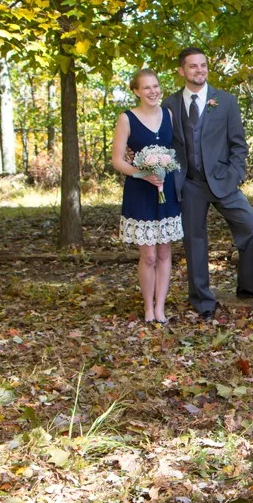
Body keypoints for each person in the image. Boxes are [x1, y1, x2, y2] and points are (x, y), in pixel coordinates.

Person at [164, 46, 253, 320]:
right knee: (195, 241)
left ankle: (249, 287)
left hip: (224, 180)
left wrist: (236, 173)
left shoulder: (225, 101)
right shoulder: (169, 104)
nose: (199, 70)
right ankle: (202, 300)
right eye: (192, 66)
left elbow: (239, 144)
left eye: (203, 65)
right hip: (189, 183)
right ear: (181, 71)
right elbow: (161, 141)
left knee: (252, 227)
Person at [111, 66, 182, 323]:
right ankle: (147, 308)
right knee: (149, 255)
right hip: (139, 190)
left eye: (155, 86)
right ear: (136, 91)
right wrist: (143, 174)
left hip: (167, 189)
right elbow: (117, 160)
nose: (153, 91)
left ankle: (160, 307)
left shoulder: (169, 115)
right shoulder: (126, 119)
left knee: (164, 253)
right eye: (146, 87)